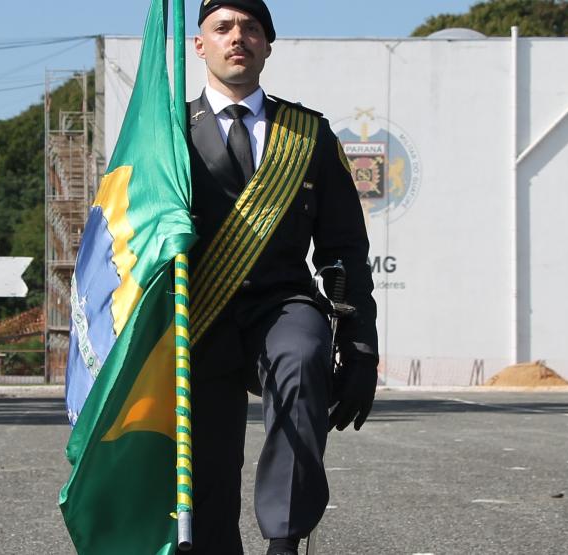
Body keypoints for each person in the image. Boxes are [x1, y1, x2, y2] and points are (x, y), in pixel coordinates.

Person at [186, 1, 379, 554]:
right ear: (201, 46)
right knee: (206, 460)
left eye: (250, 28)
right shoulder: (170, 134)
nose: (236, 37)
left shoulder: (308, 134)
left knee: (300, 355)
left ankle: (286, 540)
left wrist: (360, 346)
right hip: (198, 310)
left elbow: (343, 248)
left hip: (283, 303)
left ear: (268, 45)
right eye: (221, 28)